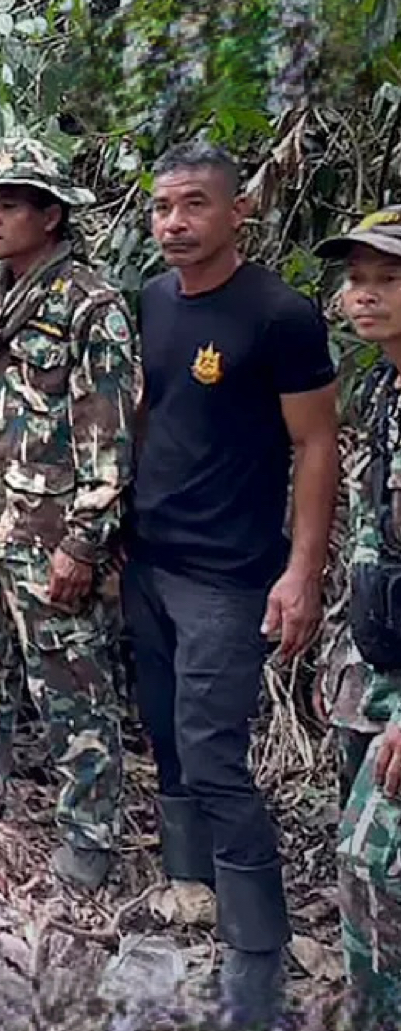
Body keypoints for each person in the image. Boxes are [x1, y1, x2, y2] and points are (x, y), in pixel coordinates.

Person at [125, 142, 337, 1026]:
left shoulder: (278, 316)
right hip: (147, 557)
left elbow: (315, 443)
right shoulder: (150, 300)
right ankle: (187, 890)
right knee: (166, 740)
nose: (174, 223)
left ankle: (256, 955)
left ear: (236, 211)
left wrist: (301, 570)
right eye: (162, 208)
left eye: (193, 206)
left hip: (228, 574)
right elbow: (145, 416)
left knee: (214, 755)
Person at [0, 138, 134, 894]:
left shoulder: (89, 306)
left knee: (68, 679)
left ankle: (89, 828)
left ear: (50, 213)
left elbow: (107, 440)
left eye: (8, 203)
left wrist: (83, 541)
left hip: (46, 532)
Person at [319, 206, 401, 1028]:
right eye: (355, 280)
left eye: (387, 279)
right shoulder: (383, 385)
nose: (364, 295)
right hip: (378, 659)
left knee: (373, 861)